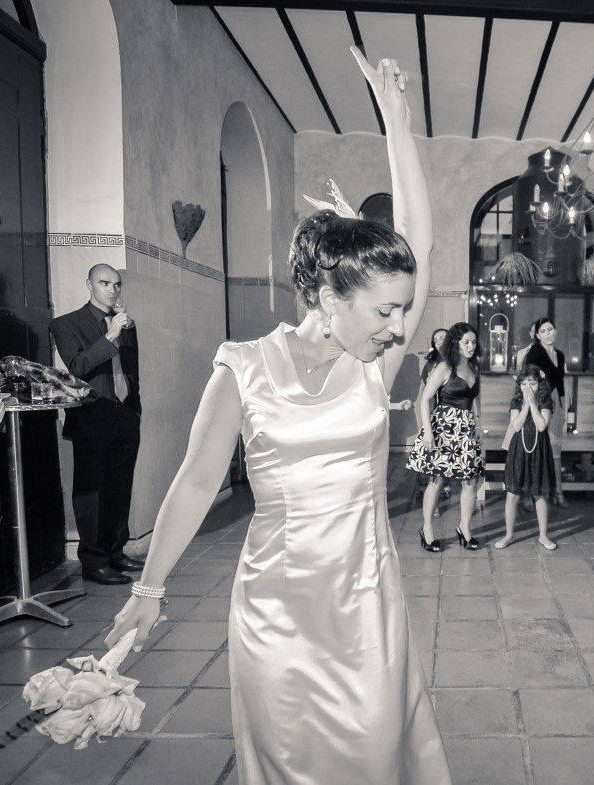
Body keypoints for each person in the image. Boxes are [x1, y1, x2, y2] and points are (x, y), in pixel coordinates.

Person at [105, 50, 452, 785]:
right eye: (385, 311)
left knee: (376, 755)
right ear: (328, 297)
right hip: (276, 615)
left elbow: (418, 239)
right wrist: (148, 588)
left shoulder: (374, 363)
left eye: (403, 310)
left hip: (367, 607)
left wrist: (397, 122)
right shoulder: (242, 369)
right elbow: (195, 482)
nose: (401, 327)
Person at [50, 263, 143, 585]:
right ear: (89, 284)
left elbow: (130, 369)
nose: (112, 290)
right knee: (92, 492)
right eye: (104, 283)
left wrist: (134, 407)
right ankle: (93, 562)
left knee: (120, 488)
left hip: (125, 415)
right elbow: (77, 367)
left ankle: (116, 552)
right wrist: (111, 335)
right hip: (92, 417)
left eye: (116, 284)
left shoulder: (126, 323)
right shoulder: (65, 324)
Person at [408, 322, 484, 550]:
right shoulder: (444, 367)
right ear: (456, 343)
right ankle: (427, 530)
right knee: (437, 480)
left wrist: (479, 425)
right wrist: (428, 431)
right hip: (444, 427)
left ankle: (464, 529)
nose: (471, 346)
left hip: (466, 429)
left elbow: (476, 400)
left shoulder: (474, 367)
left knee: (470, 481)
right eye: (466, 342)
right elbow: (425, 399)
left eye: (473, 342)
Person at [496, 364, 557, 551]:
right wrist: (525, 406)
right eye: (523, 384)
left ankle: (543, 535)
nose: (527, 387)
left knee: (539, 493)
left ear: (540, 384)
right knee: (512, 494)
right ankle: (509, 534)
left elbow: (541, 425)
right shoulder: (516, 402)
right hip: (519, 450)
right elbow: (516, 425)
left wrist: (532, 404)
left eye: (532, 383)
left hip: (539, 449)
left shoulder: (545, 401)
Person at [524, 317, 569, 507]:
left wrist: (564, 408)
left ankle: (557, 492)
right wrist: (531, 404)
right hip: (537, 403)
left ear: (555, 331)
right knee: (534, 448)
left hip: (555, 403)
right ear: (537, 335)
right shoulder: (535, 351)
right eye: (543, 331)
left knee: (555, 451)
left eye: (550, 329)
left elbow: (560, 383)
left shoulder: (560, 354)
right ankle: (529, 494)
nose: (548, 333)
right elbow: (527, 378)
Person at [417, 327, 450, 517]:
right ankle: (434, 503)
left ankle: (443, 486)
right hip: (435, 415)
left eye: (443, 338)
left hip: (454, 418)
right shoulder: (430, 364)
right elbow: (425, 395)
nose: (439, 342)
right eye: (435, 339)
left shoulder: (458, 361)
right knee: (435, 462)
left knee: (448, 460)